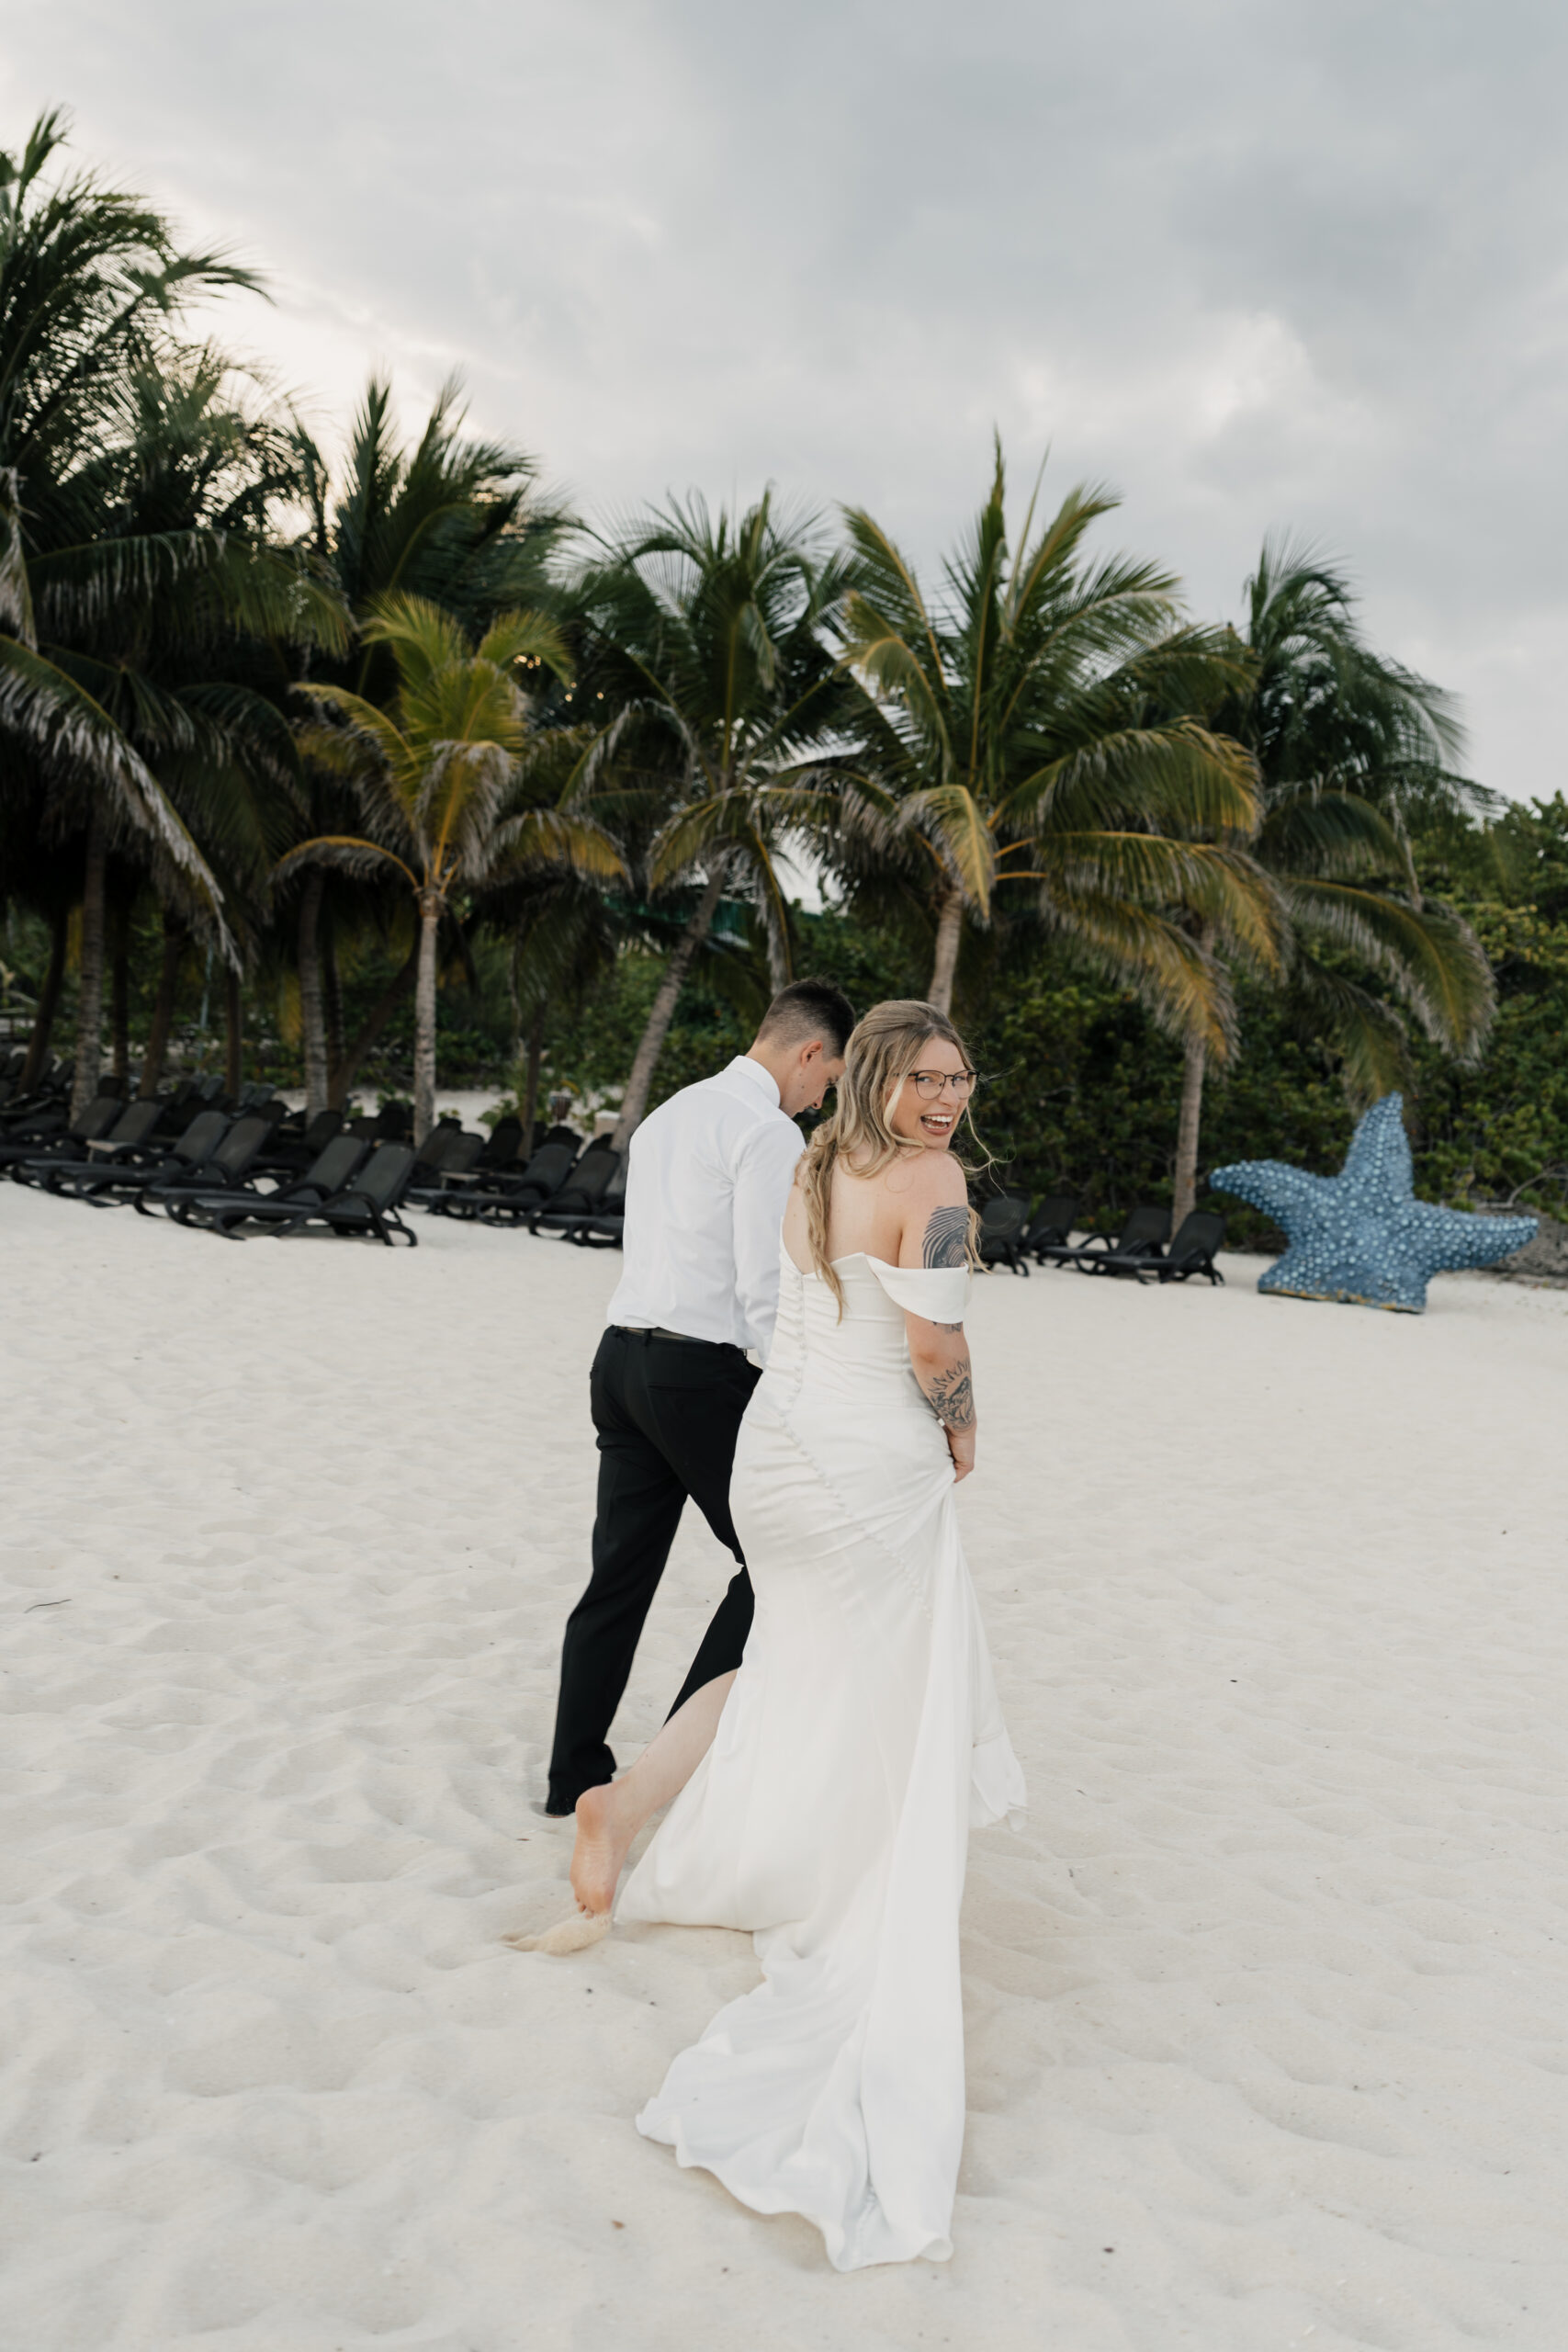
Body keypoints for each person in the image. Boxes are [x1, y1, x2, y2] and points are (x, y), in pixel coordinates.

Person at [524, 1000, 1026, 2273]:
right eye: (922, 1077)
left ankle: (621, 1806)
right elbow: (930, 1336)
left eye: (959, 1080)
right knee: (883, 1670)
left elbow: (794, 1299)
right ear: (870, 1074)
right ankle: (800, 1851)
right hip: (860, 1455)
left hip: (780, 1447)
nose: (945, 1100)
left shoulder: (815, 1161)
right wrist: (963, 1425)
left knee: (786, 1653)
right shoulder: (929, 1180)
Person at [542, 978, 857, 1817]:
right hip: (694, 1374)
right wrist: (800, 1388)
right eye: (826, 1082)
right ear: (808, 1053)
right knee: (779, 1561)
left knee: (618, 1577)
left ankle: (571, 1775)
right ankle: (666, 1778)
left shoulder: (672, 1112)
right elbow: (762, 1288)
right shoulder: (763, 1132)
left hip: (618, 1362)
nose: (820, 1100)